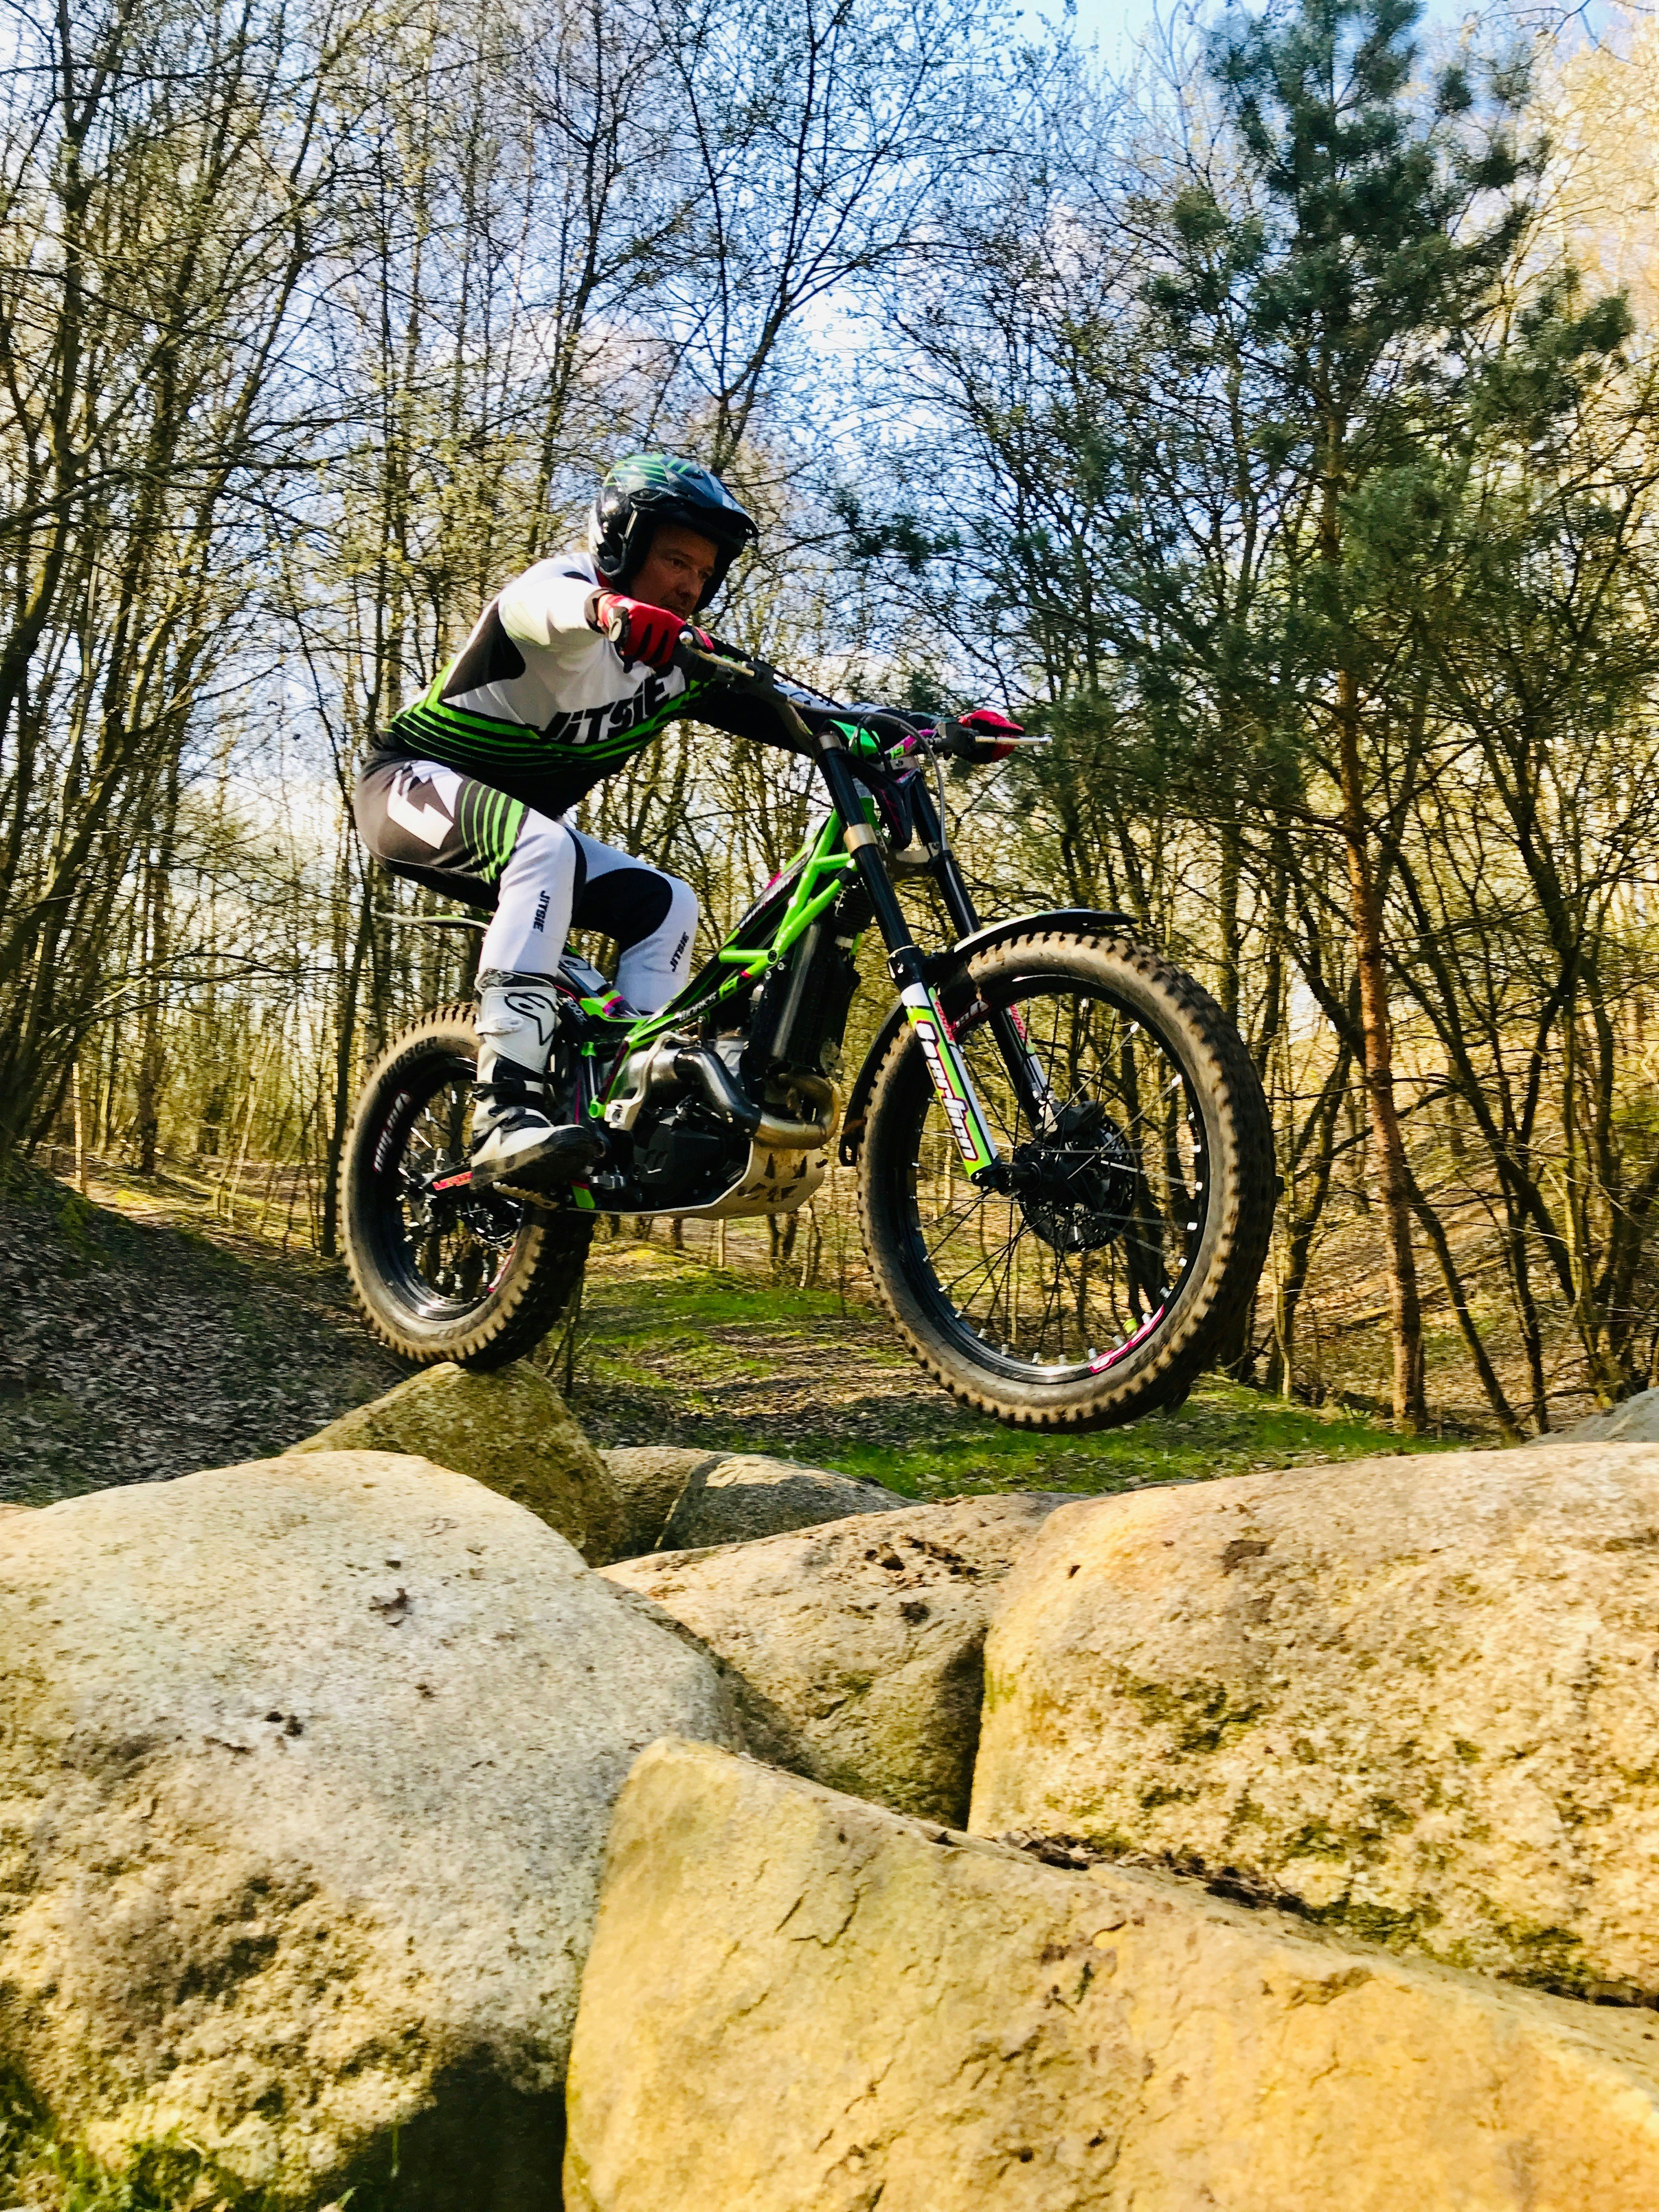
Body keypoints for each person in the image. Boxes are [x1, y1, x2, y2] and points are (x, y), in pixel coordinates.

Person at [354, 450, 1023, 1190]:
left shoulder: (676, 664)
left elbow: (815, 717)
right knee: (542, 849)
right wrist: (609, 612)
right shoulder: (564, 594)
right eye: (676, 560)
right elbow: (535, 608)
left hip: (519, 840)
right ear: (619, 542)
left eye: (704, 574)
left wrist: (936, 730)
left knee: (670, 901)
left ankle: (627, 1113)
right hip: (407, 787)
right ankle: (503, 1111)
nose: (689, 584)